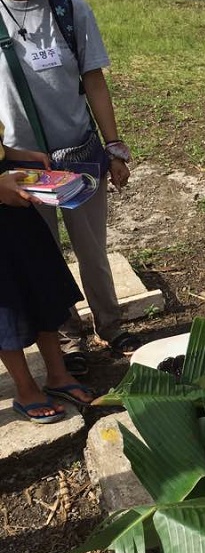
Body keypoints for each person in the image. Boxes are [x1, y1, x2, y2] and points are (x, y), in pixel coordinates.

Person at [0, 0, 139, 377]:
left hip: (79, 151)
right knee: (44, 258)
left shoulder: (68, 8)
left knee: (92, 251)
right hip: (20, 165)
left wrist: (114, 146)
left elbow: (94, 81)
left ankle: (110, 322)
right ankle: (67, 332)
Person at [0, 131, 94, 422]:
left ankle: (58, 374)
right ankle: (26, 389)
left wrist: (16, 155)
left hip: (12, 203)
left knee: (41, 286)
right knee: (6, 305)